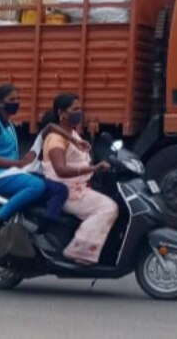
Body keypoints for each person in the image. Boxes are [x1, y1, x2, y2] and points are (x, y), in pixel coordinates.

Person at [0, 84, 68, 243]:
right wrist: (18, 164)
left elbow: (49, 128)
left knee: (52, 186)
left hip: (10, 172)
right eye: (12, 100)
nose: (16, 102)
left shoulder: (9, 125)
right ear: (0, 103)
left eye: (18, 99)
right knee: (36, 186)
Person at [41, 93, 119, 265]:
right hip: (68, 191)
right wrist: (94, 168)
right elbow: (61, 170)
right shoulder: (56, 139)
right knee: (108, 208)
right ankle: (80, 251)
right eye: (74, 110)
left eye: (80, 109)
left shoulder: (73, 135)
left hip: (81, 187)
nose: (79, 113)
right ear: (61, 113)